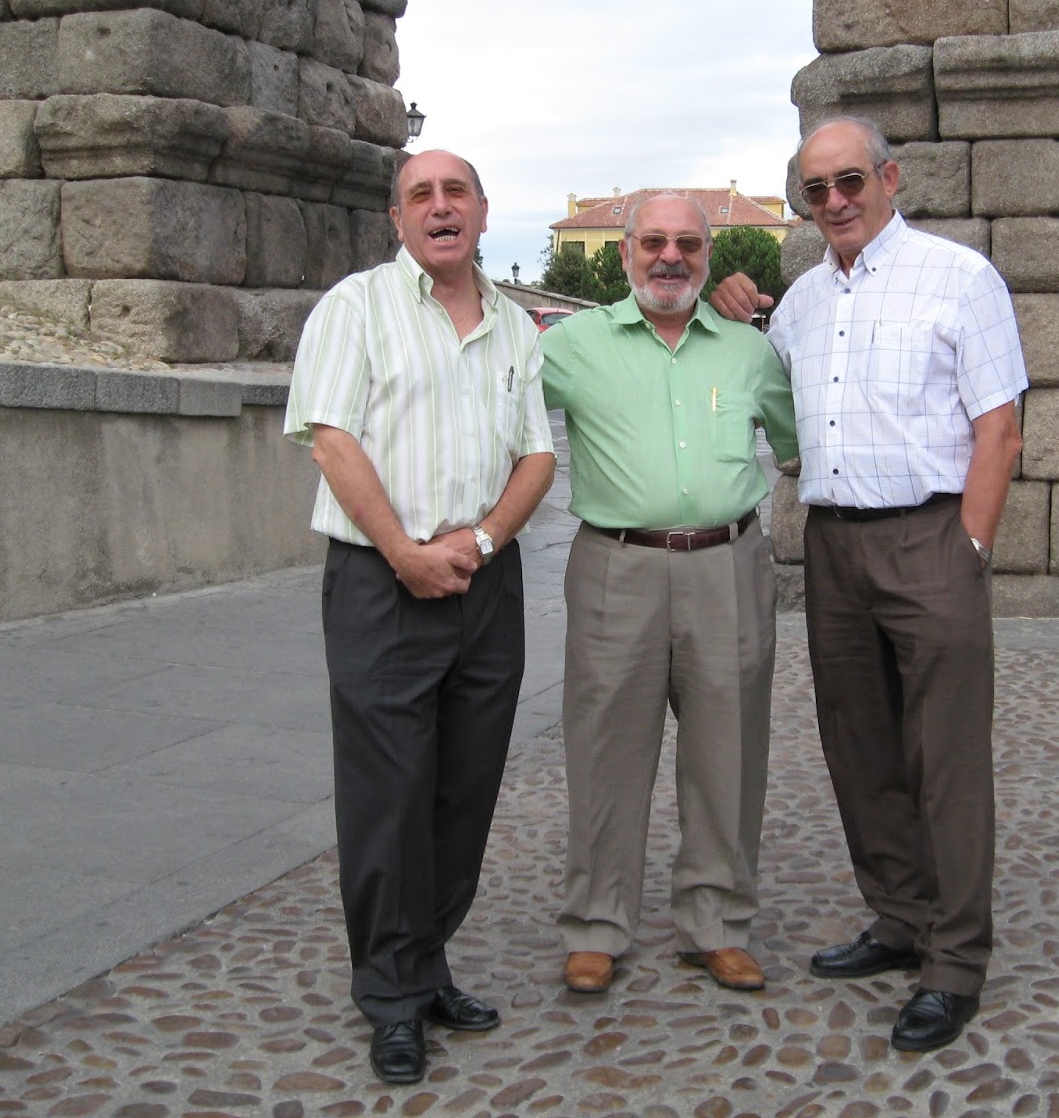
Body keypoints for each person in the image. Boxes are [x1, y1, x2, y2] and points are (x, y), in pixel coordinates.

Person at [709, 116, 1028, 1052]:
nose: (835, 201)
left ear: (889, 179)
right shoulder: (802, 303)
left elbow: (1000, 429)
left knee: (946, 757)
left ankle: (955, 961)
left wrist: (968, 550)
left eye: (850, 181)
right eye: (816, 190)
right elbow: (762, 390)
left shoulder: (960, 278)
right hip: (835, 548)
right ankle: (899, 917)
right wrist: (730, 305)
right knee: (860, 748)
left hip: (931, 538)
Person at [284, 150, 556, 1085]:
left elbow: (536, 456)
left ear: (482, 212)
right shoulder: (354, 307)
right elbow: (330, 439)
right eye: (420, 195)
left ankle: (426, 961)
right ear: (396, 219)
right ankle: (392, 995)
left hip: (485, 585)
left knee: (464, 789)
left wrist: (479, 543)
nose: (441, 208)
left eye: (456, 193)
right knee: (389, 795)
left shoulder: (516, 325)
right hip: (381, 584)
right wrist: (404, 550)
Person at [540, 193, 798, 996]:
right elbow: (489, 409)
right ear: (624, 253)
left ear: (709, 256)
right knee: (605, 752)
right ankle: (596, 925)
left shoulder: (750, 353)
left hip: (729, 566)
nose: (670, 256)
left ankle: (716, 925)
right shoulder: (569, 346)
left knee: (729, 755)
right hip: (616, 568)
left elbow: (797, 444)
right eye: (652, 241)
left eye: (688, 242)